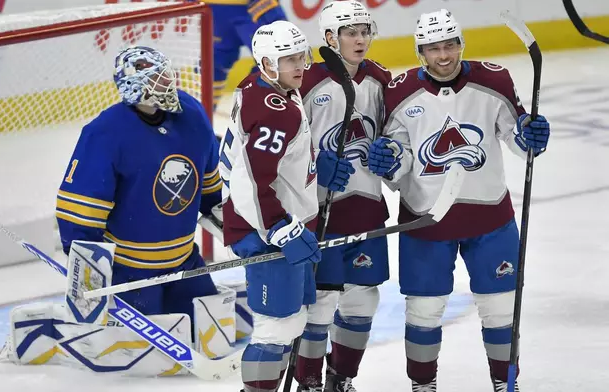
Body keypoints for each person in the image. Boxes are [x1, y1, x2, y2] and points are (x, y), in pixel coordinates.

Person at [370, 9, 551, 392]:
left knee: (501, 309)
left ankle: (504, 384)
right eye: (433, 48)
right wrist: (388, 162)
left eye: (450, 45)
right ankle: (423, 386)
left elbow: (518, 140)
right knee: (423, 312)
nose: (444, 56)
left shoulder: (493, 79)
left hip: (491, 219)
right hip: (425, 221)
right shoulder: (399, 91)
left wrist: (530, 135)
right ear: (420, 51)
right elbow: (397, 160)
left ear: (461, 44)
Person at [218, 20, 348, 392]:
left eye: (301, 56)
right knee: (276, 327)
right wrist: (278, 225)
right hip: (266, 230)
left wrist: (310, 163)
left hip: (282, 221)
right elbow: (251, 181)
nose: (300, 66)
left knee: (294, 321)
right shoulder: (276, 111)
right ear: (267, 63)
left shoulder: (263, 86)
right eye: (288, 59)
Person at [56, 46, 223, 321]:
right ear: (134, 86)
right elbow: (81, 213)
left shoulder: (192, 114)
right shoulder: (105, 133)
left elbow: (210, 193)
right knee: (146, 356)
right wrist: (86, 272)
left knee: (213, 337)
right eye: (157, 78)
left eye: (167, 75)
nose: (168, 82)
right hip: (131, 273)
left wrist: (243, 235)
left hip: (185, 262)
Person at [293, 1, 392, 391]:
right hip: (320, 212)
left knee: (362, 304)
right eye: (351, 32)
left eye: (365, 31)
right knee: (319, 306)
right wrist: (315, 171)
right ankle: (309, 383)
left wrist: (393, 156)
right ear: (331, 38)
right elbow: (284, 150)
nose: (360, 39)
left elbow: (397, 135)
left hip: (366, 206)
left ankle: (340, 378)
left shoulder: (381, 79)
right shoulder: (306, 81)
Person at [205, 0, 289, 111]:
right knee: (213, 67)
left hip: (250, 8)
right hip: (217, 10)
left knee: (277, 58)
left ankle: (257, 107)